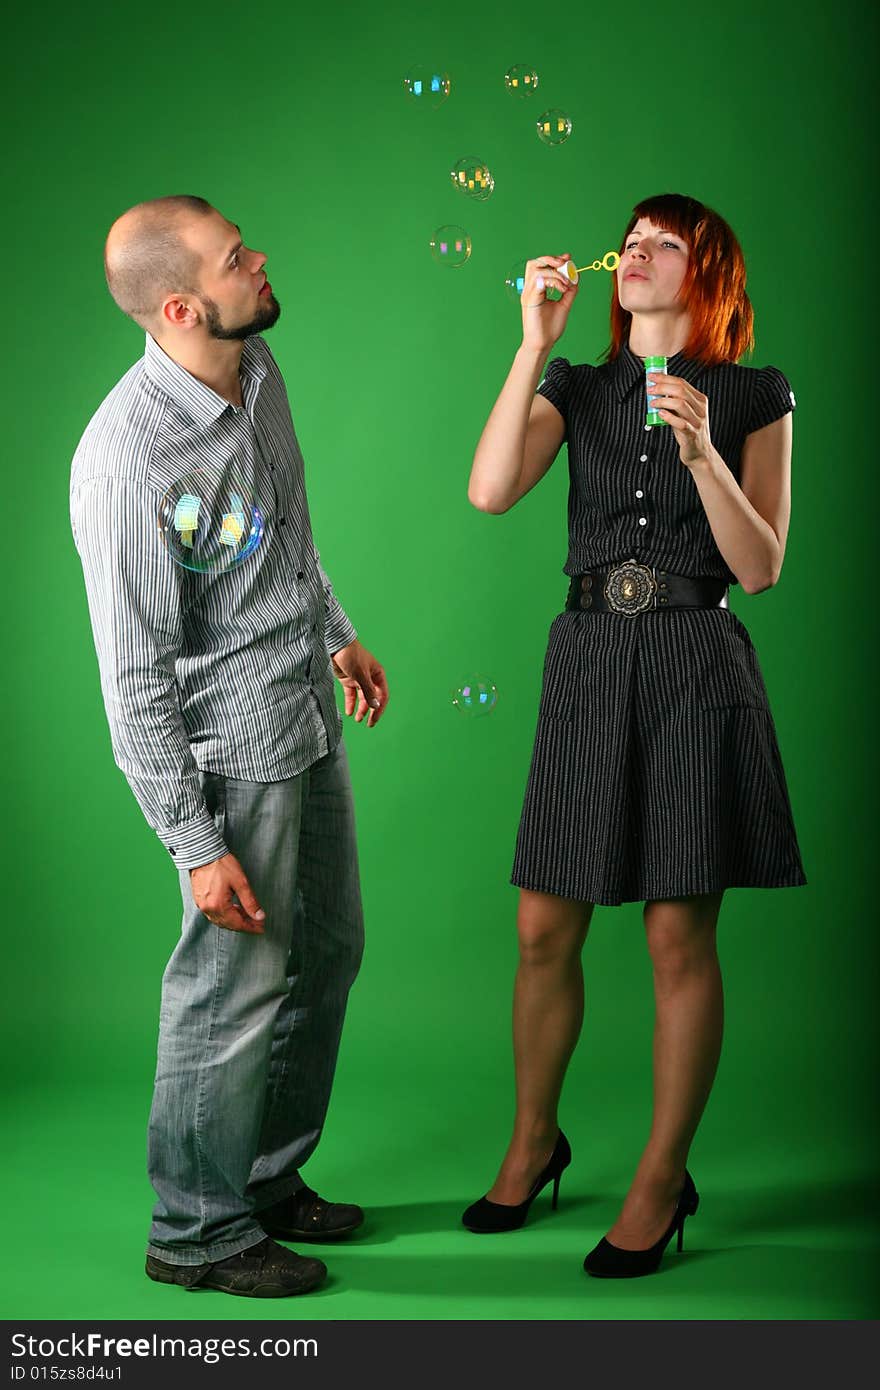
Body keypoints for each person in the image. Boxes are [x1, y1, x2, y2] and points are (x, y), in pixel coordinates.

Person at [461, 192, 806, 1278]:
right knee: (540, 930)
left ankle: (661, 1179)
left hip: (695, 660)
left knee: (674, 939)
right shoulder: (580, 382)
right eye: (636, 240)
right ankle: (532, 1142)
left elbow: (758, 570)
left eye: (670, 244)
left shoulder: (756, 392)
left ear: (711, 274)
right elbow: (488, 490)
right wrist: (531, 347)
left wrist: (704, 454)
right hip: (587, 660)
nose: (640, 254)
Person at [70, 195, 389, 1298]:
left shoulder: (254, 372)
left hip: (300, 707)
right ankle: (194, 1233)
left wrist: (336, 635)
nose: (260, 262)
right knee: (229, 990)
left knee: (328, 954)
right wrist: (194, 844)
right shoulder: (128, 462)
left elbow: (282, 537)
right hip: (227, 756)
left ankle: (260, 1180)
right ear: (178, 304)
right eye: (234, 259)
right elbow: (134, 679)